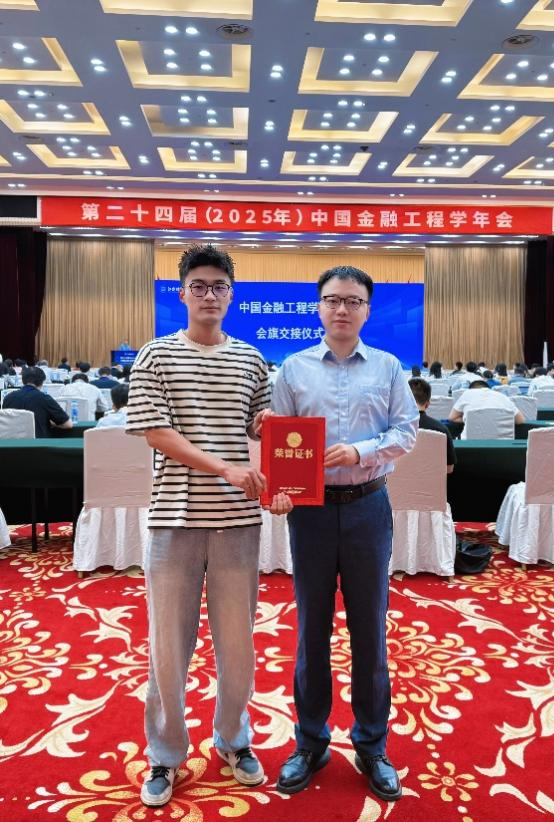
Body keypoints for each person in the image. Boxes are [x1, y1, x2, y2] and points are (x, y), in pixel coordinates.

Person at [125, 244, 291, 809]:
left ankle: (234, 740)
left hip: (237, 522)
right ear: (182, 293)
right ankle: (165, 754)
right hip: (173, 519)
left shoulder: (250, 359)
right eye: (199, 286)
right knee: (168, 648)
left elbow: (264, 428)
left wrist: (276, 439)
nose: (209, 295)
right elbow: (155, 432)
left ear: (232, 294)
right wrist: (224, 467)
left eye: (219, 286)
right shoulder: (155, 356)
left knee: (238, 645)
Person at [271, 265, 418, 802]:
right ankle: (310, 742)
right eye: (333, 299)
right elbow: (279, 437)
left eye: (353, 301)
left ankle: (372, 745)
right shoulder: (293, 368)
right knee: (311, 630)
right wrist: (280, 486)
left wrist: (360, 451)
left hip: (367, 507)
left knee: (369, 630)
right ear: (318, 306)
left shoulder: (388, 367)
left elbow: (406, 432)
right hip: (309, 513)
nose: (342, 309)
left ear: (367, 310)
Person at [3, 366, 72, 437]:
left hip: (12, 442)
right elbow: (68, 424)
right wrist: (48, 422)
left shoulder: (8, 398)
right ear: (42, 382)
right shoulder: (44, 398)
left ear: (23, 381)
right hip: (38, 443)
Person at [409, 377, 456, 472]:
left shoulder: (390, 429)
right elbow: (449, 468)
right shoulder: (441, 430)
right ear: (427, 404)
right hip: (432, 481)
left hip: (394, 482)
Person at [449, 380, 524, 435]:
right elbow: (520, 420)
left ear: (471, 389)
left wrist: (471, 419)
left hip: (471, 445)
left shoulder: (467, 393)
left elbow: (452, 418)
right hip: (503, 446)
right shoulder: (503, 396)